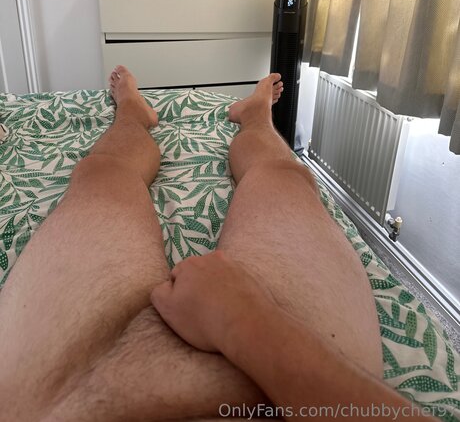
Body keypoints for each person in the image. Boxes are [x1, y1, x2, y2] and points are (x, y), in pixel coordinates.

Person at [0, 66, 434, 421]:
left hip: (56, 401)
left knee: (104, 175)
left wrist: (242, 320)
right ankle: (177, 113)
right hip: (311, 387)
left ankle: (175, 112)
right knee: (282, 178)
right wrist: (248, 320)